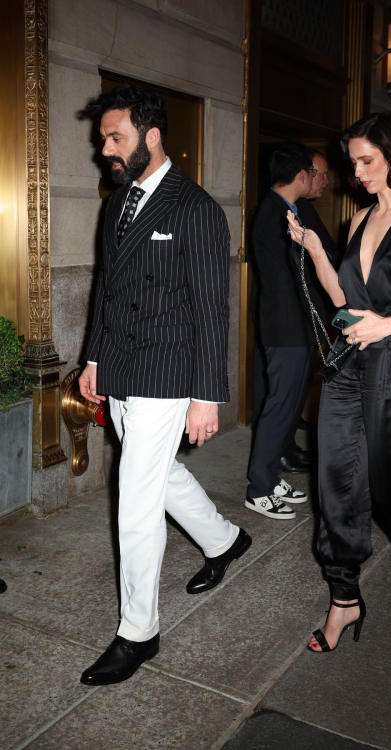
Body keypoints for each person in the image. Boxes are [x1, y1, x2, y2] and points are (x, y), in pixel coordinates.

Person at [78, 85, 251, 685]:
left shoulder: (195, 208)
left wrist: (208, 396)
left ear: (152, 137)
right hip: (122, 368)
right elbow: (106, 286)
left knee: (136, 500)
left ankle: (138, 633)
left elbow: (212, 308)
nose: (105, 149)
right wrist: (94, 357)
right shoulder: (118, 202)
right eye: (104, 139)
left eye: (115, 137)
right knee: (157, 474)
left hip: (168, 374)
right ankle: (224, 540)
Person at [287, 111, 391, 652]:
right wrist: (314, 247)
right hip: (348, 359)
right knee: (335, 484)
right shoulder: (357, 220)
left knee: (390, 488)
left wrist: (388, 323)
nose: (357, 172)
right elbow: (344, 301)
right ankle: (344, 597)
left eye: (367, 161)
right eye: (352, 162)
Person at [246, 142, 324, 519]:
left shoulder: (292, 209)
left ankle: (270, 475)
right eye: (312, 172)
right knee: (280, 406)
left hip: (298, 324)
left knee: (291, 404)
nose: (315, 179)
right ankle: (259, 487)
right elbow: (296, 273)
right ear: (300, 175)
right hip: (285, 325)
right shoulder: (272, 215)